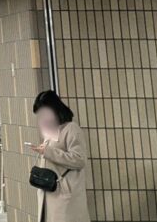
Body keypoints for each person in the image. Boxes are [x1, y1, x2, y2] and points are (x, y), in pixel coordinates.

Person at [30, 90, 89, 222]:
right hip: (49, 191)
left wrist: (48, 152)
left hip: (64, 195)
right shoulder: (51, 130)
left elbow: (79, 159)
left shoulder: (71, 129)